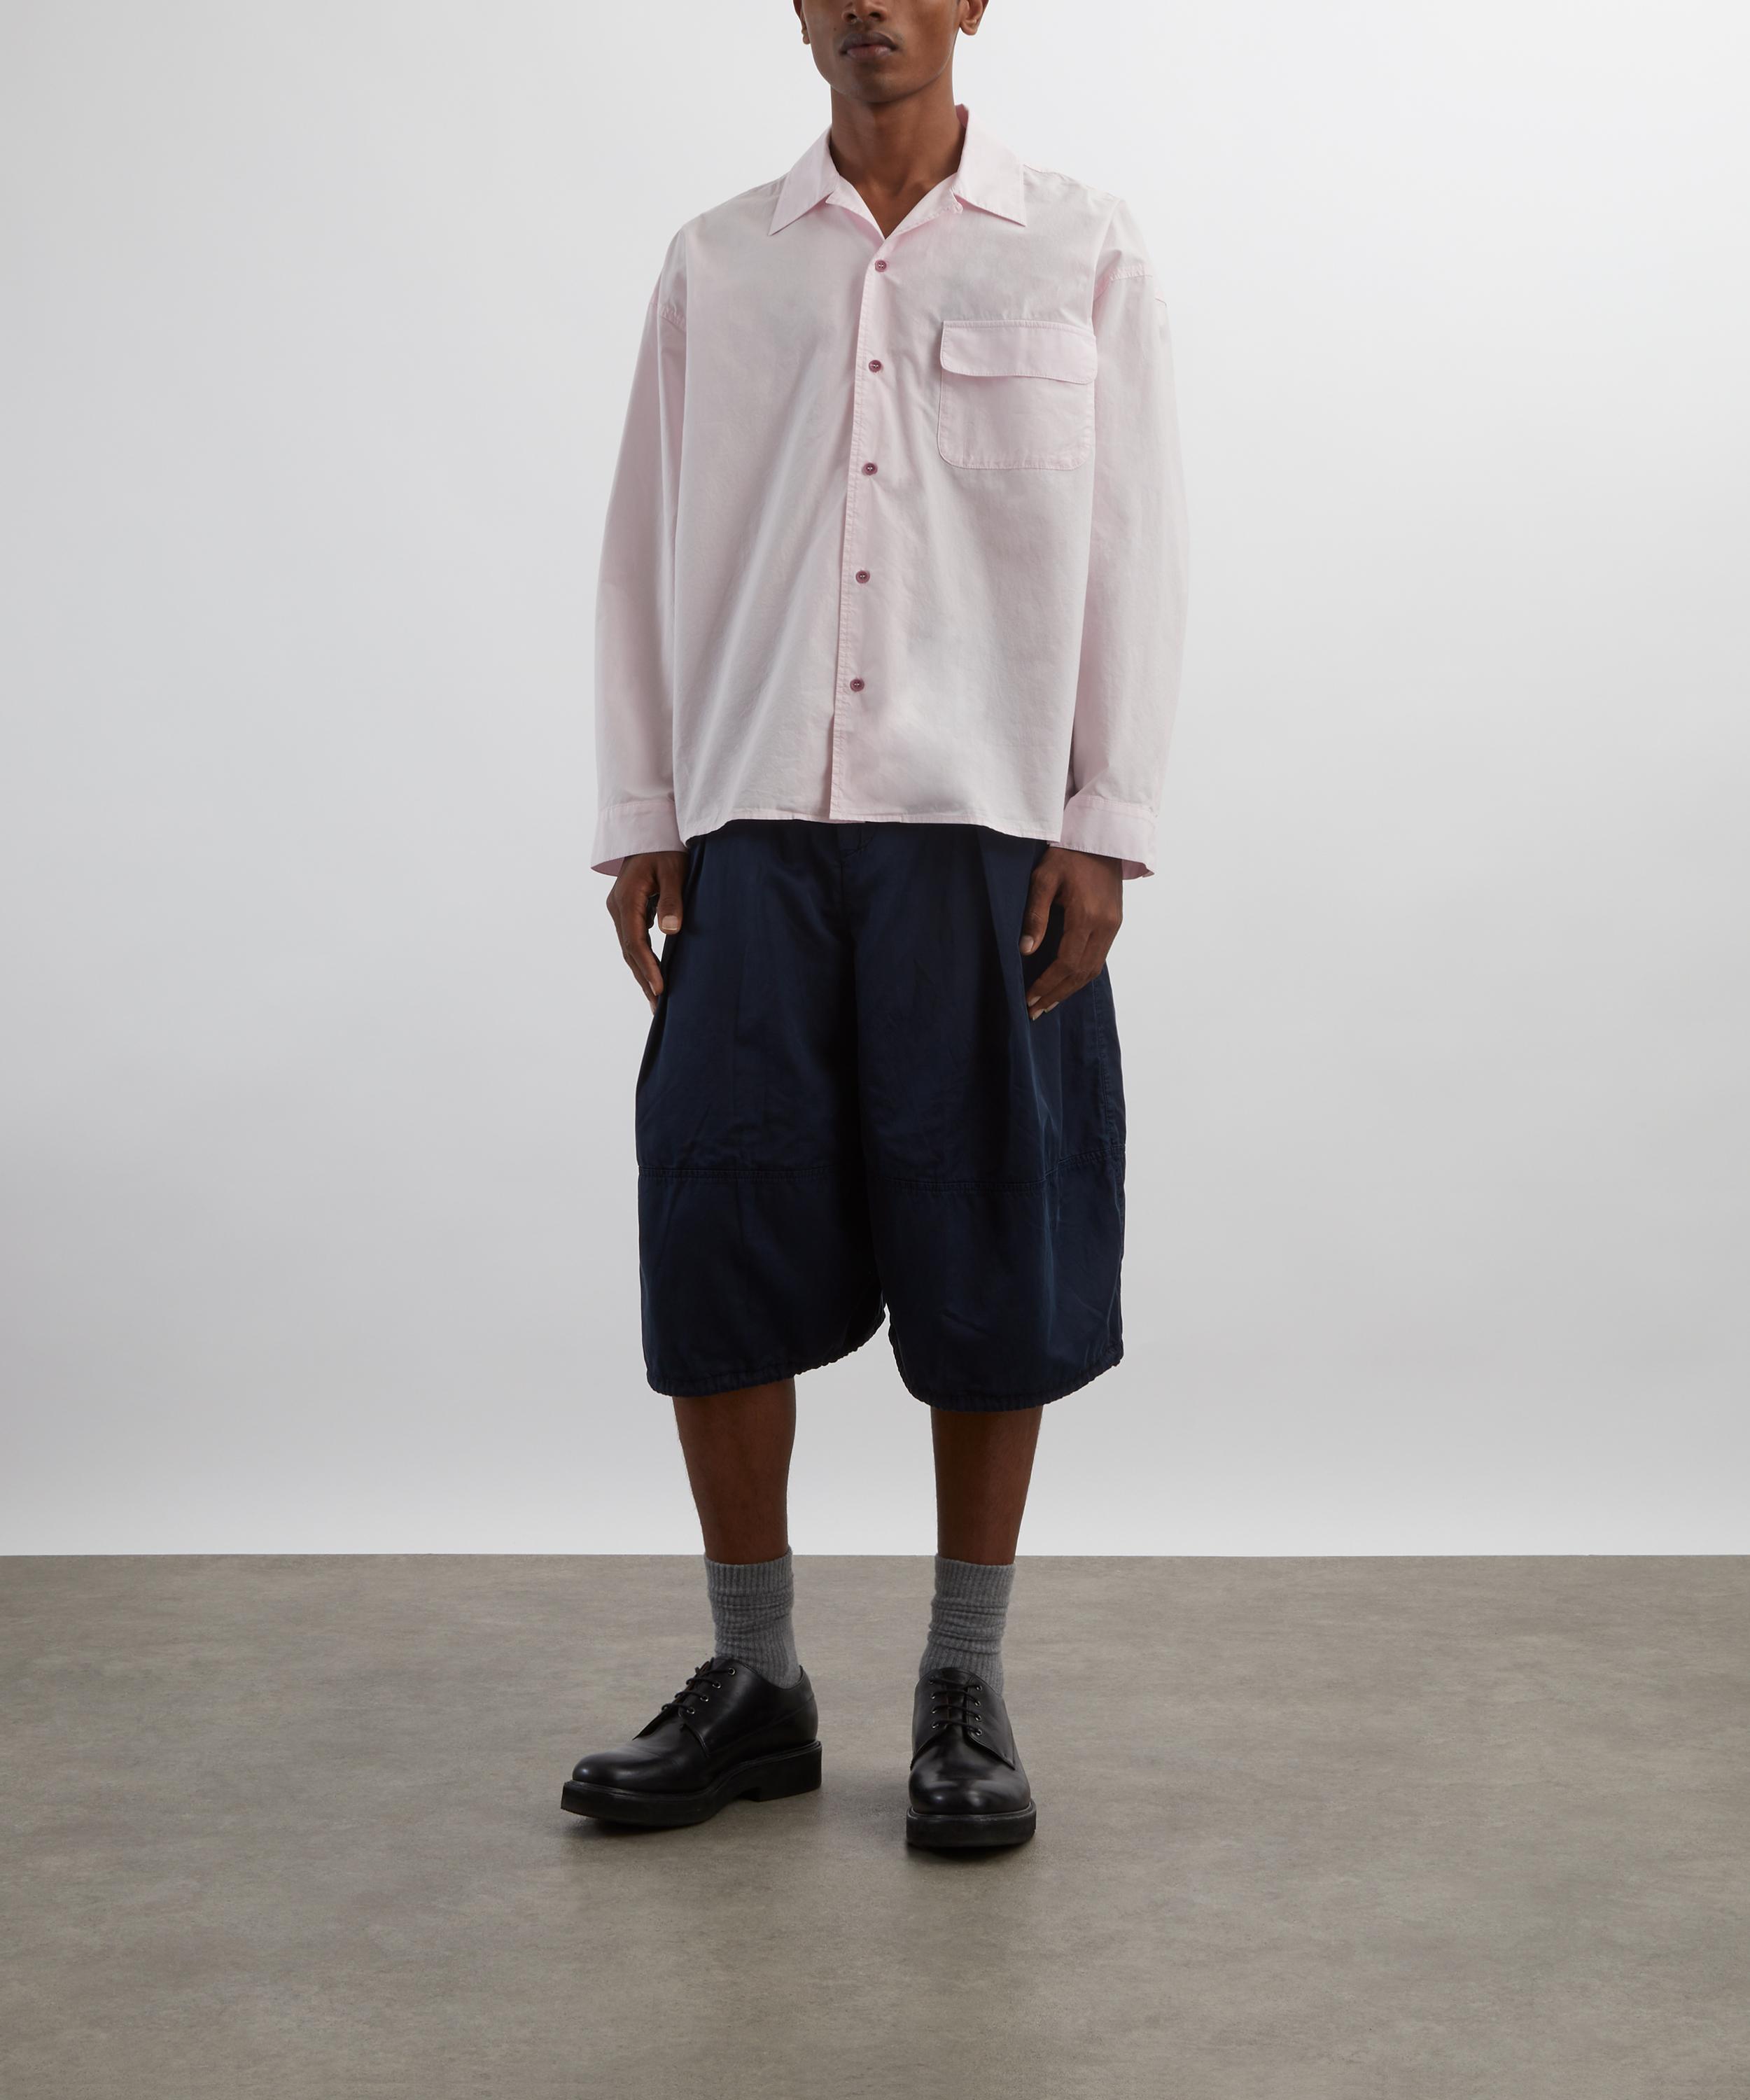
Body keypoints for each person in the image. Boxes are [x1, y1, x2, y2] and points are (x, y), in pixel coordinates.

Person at [561, 0, 1186, 1850]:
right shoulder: (718, 262)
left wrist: (1104, 825)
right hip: (753, 820)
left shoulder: (1079, 246)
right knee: (716, 1226)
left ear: (973, 0)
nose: (870, 9)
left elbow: (1136, 543)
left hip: (986, 831)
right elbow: (641, 538)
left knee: (994, 1233)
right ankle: (754, 1680)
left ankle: (962, 1681)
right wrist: (644, 810)